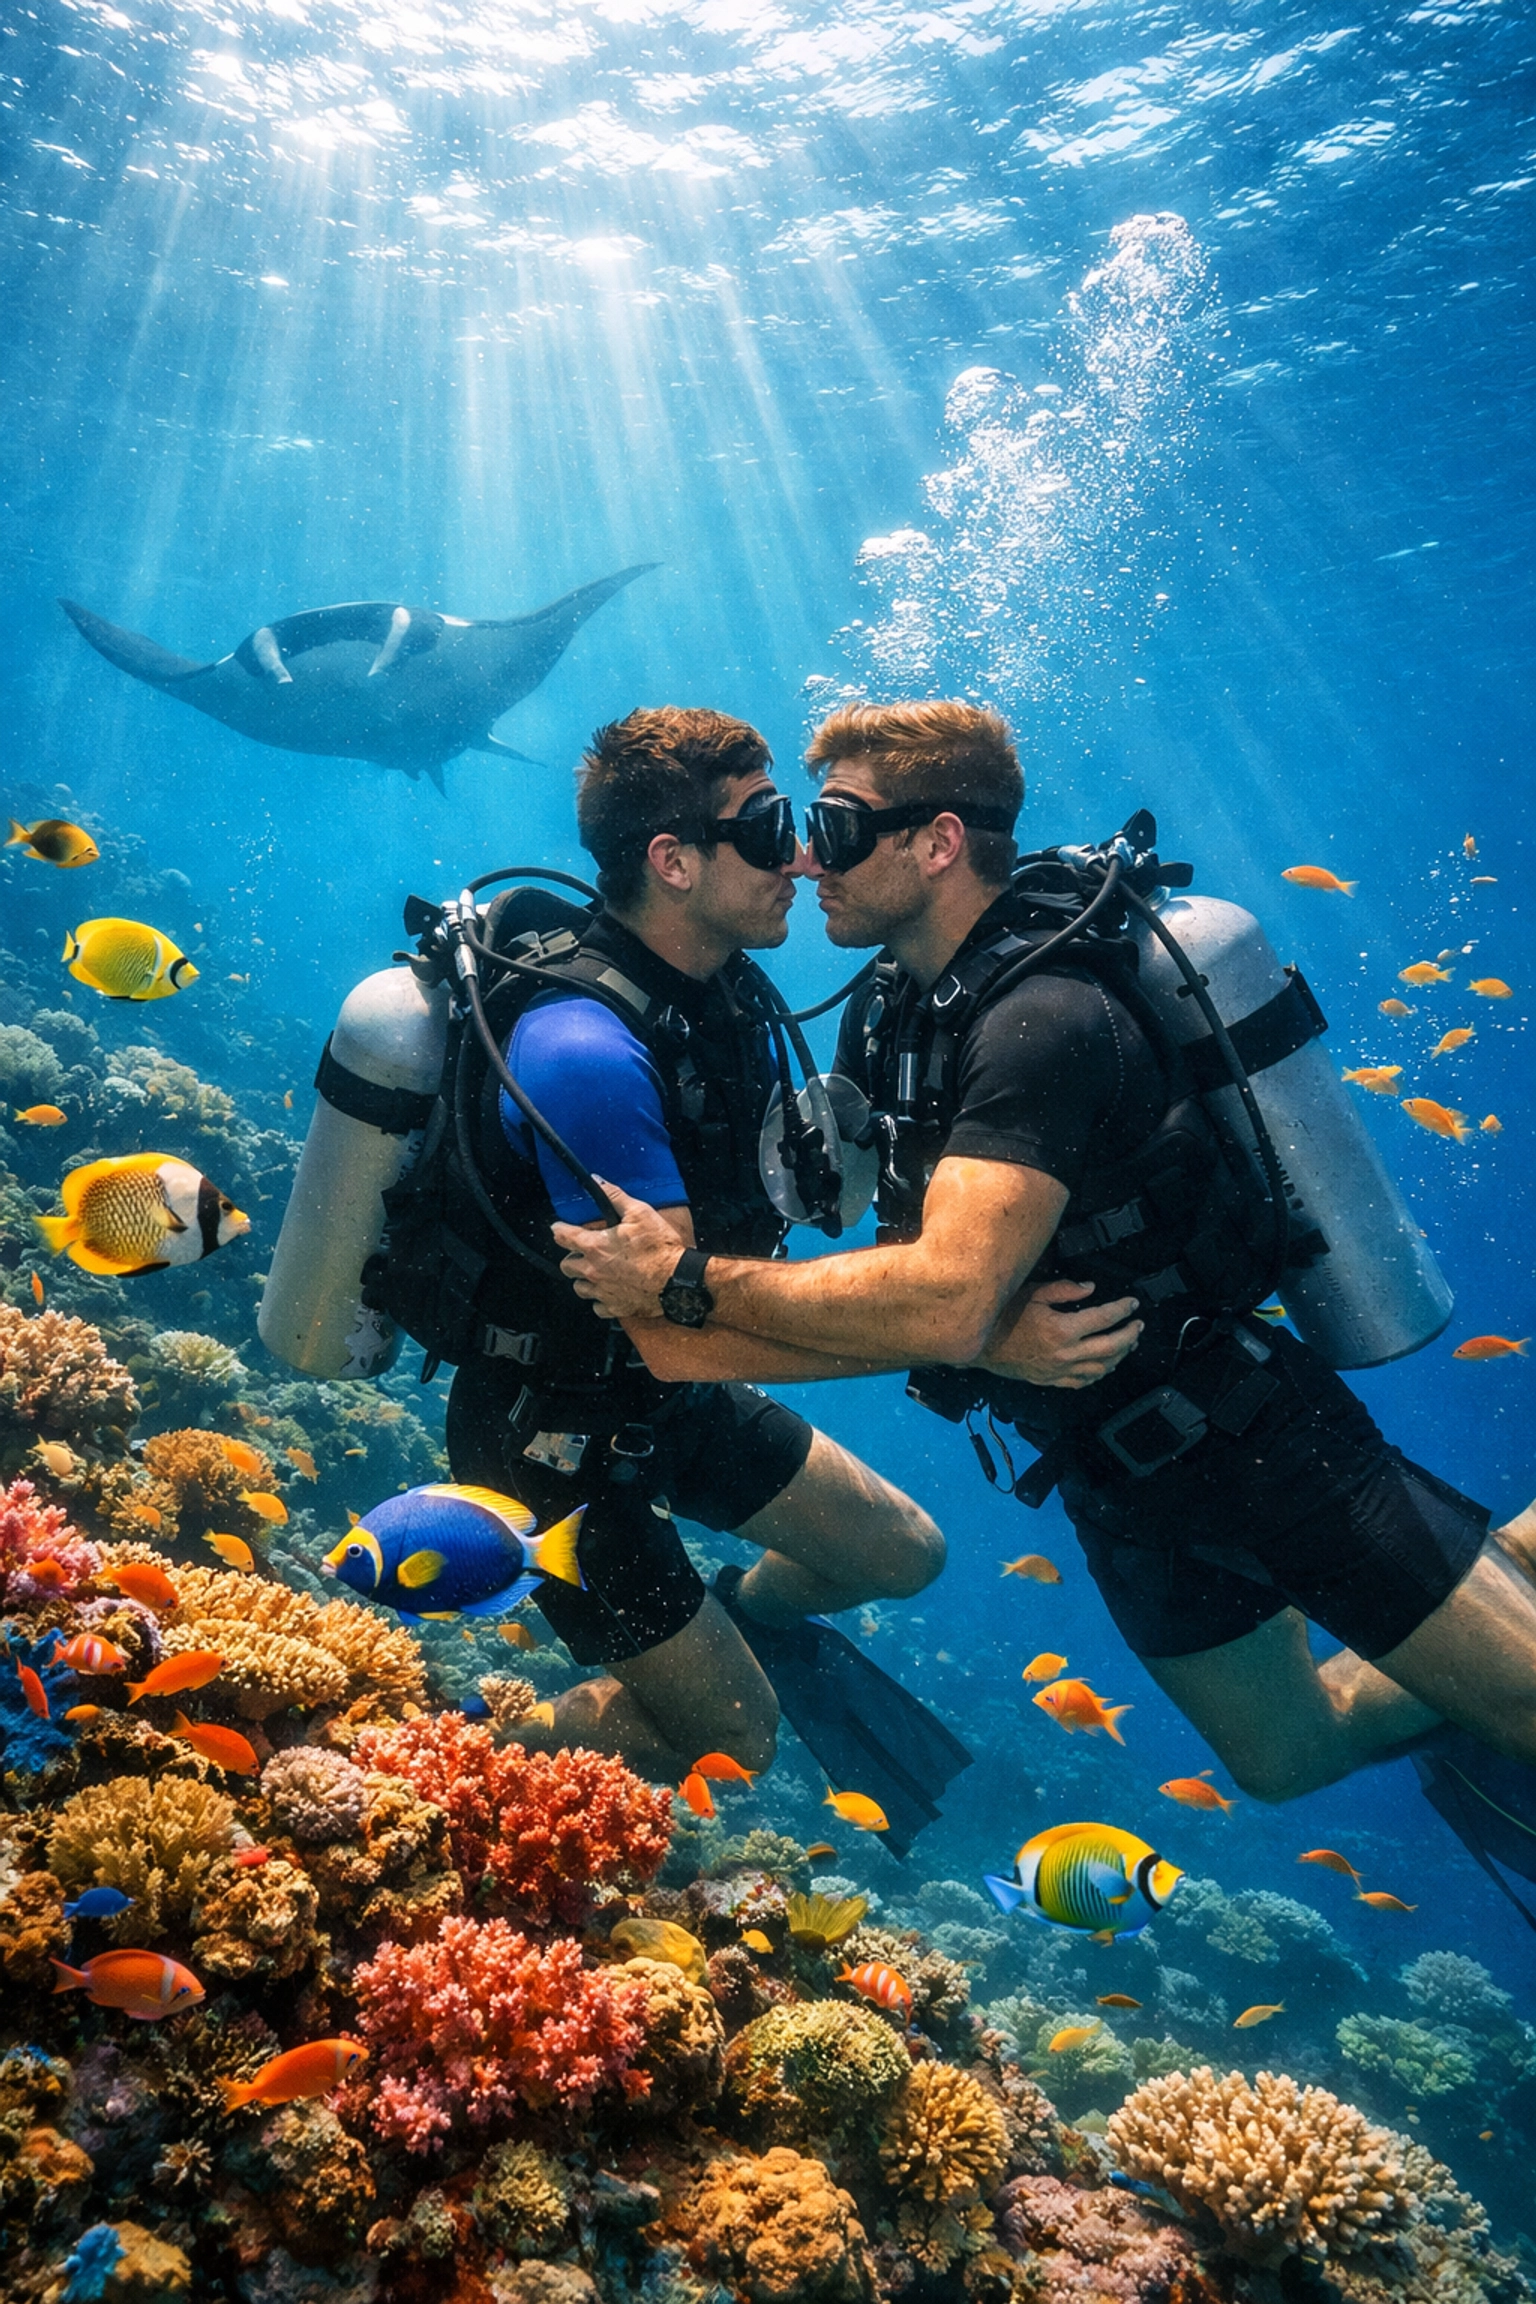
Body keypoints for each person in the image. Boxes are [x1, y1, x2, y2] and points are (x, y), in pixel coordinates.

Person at [555, 699, 1536, 1812]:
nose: (803, 857)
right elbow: (907, 1281)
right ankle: (1483, 1601)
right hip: (1107, 1475)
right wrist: (978, 1336)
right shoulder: (886, 1012)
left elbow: (942, 1296)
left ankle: (1485, 1613)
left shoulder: (1047, 1020)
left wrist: (682, 1282)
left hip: (1252, 1439)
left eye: (834, 829)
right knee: (1287, 1760)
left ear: (938, 843)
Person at [440, 704, 971, 1847]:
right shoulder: (585, 1048)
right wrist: (966, 1330)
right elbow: (678, 1333)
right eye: (769, 826)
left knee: (902, 1553)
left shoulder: (726, 986)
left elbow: (702, 1295)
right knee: (743, 1740)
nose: (802, 853)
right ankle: (471, 1756)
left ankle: (719, 1624)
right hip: (553, 1442)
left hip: (663, 1392)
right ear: (672, 862)